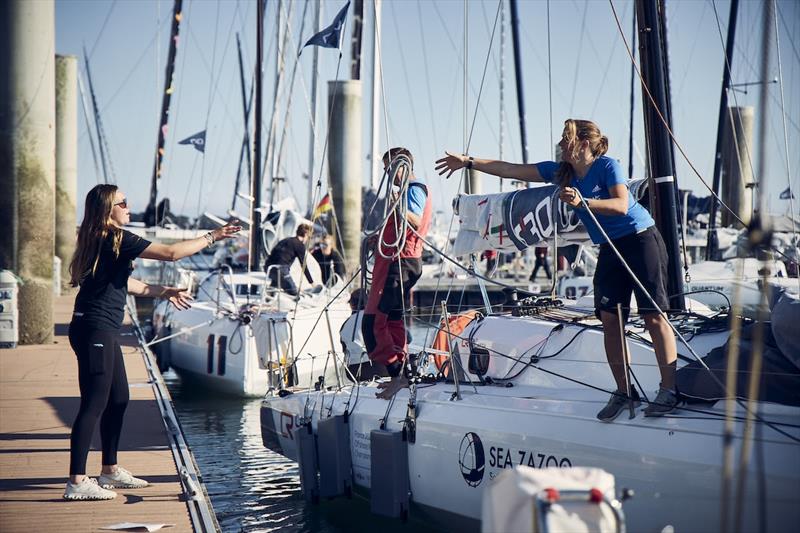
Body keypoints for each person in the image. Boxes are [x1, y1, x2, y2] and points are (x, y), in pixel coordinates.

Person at [436, 119, 679, 421]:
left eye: (567, 139)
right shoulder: (560, 172)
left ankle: (669, 390)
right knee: (609, 319)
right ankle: (623, 391)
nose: (562, 144)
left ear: (585, 144)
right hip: (609, 246)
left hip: (640, 239)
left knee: (653, 316)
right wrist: (467, 162)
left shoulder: (607, 166)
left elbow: (620, 204)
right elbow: (510, 169)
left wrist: (583, 201)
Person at [65, 184, 240, 500]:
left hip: (99, 330)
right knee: (93, 403)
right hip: (95, 331)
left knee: (118, 398)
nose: (130, 207)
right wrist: (213, 236)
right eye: (124, 202)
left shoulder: (103, 240)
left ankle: (109, 471)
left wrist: (163, 291)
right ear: (108, 209)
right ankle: (77, 481)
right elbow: (172, 254)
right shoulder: (114, 237)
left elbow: (123, 283)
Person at [362, 147, 432, 399]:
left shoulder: (413, 189)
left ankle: (397, 377)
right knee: (391, 320)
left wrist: (397, 205)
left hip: (399, 262)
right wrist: (378, 238)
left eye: (390, 168)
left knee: (372, 323)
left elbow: (414, 219)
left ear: (403, 166)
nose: (387, 174)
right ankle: (401, 374)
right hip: (397, 261)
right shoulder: (406, 191)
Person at [264, 224, 314, 296]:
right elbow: (303, 266)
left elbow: (274, 253)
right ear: (305, 234)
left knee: (275, 287)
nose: (308, 239)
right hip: (281, 270)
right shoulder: (300, 245)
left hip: (268, 268)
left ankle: (269, 298)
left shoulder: (286, 240)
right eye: (309, 237)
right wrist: (311, 282)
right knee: (294, 293)